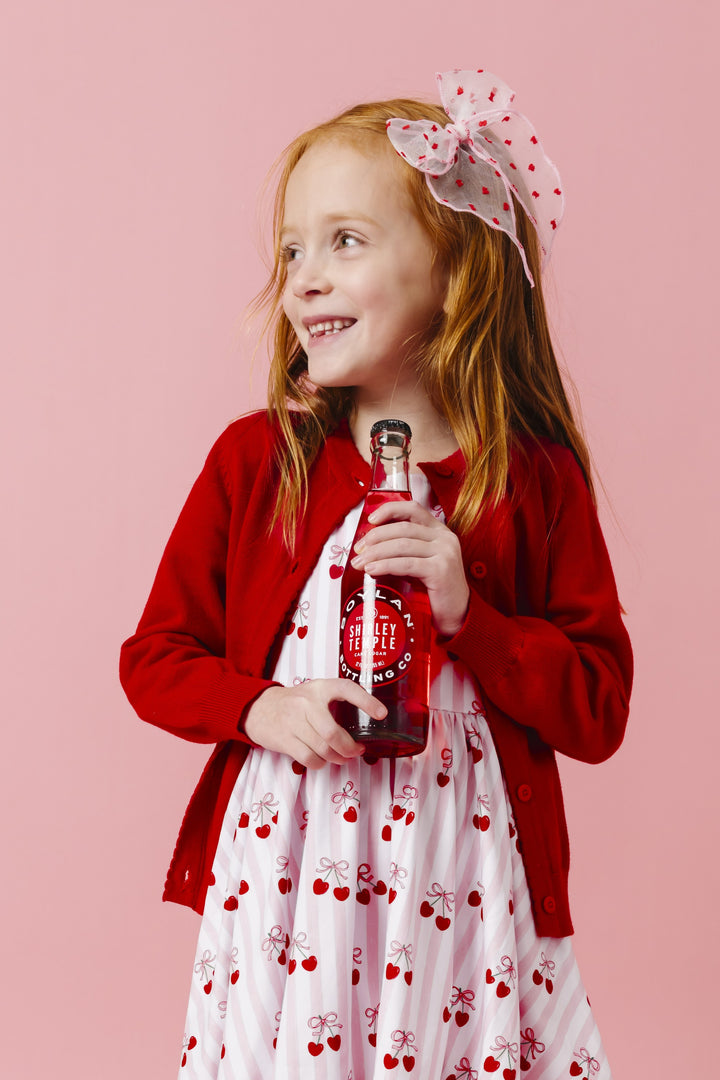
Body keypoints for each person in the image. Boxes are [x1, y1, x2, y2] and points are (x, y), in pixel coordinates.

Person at [120, 68, 633, 1080]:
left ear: (454, 272)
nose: (303, 276)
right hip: (292, 886)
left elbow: (599, 708)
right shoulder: (256, 462)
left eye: (344, 242)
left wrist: (471, 616)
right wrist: (264, 707)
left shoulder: (531, 478)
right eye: (293, 250)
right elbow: (154, 658)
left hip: (464, 890)